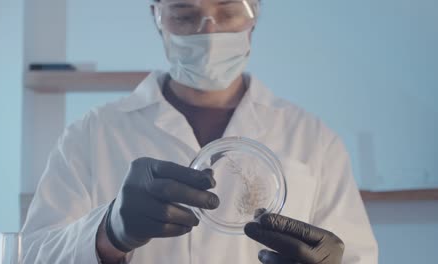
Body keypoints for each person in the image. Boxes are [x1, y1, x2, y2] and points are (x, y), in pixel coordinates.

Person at [21, 0, 378, 263]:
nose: (209, 32)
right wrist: (107, 233)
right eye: (185, 14)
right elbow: (32, 255)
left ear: (255, 12)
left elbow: (356, 256)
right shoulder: (91, 134)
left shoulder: (314, 140)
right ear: (157, 18)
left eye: (228, 11)